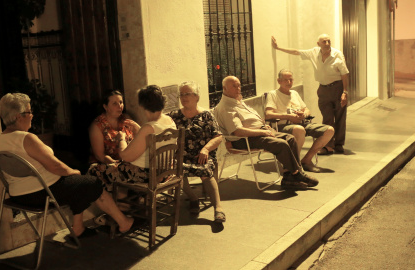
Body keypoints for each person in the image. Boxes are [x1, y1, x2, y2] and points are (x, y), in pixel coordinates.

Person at [0, 93, 134, 238]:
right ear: (19, 116)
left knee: (78, 184)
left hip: (18, 195)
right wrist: (73, 172)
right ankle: (123, 222)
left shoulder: (0, 140)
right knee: (93, 182)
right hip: (42, 193)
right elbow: (55, 166)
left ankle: (78, 227)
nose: (32, 115)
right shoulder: (26, 138)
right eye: (29, 112)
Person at [213, 76, 319, 190]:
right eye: (234, 86)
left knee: (290, 138)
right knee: (281, 144)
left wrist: (263, 126)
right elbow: (238, 131)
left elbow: (250, 119)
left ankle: (289, 178)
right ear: (224, 88)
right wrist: (261, 132)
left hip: (259, 132)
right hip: (243, 140)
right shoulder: (226, 107)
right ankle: (297, 174)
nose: (238, 88)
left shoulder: (237, 100)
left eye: (239, 85)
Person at [271, 34, 349, 154]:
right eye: (324, 42)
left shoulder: (337, 54)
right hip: (323, 89)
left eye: (329, 41)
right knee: (327, 117)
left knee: (340, 117)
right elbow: (297, 52)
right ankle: (328, 145)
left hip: (337, 88)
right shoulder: (313, 52)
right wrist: (278, 48)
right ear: (318, 44)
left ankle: (338, 144)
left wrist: (344, 92)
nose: (327, 44)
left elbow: (344, 74)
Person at [167, 81, 225, 223]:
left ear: (196, 97)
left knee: (205, 171)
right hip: (182, 156)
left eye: (187, 94)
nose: (184, 97)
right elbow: (160, 127)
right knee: (175, 169)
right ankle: (193, 198)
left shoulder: (207, 115)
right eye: (181, 94)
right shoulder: (173, 116)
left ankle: (218, 208)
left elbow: (218, 136)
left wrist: (206, 149)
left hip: (202, 155)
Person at [103, 85, 177, 185]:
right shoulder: (170, 120)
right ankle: (124, 198)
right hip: (164, 173)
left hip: (146, 174)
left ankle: (113, 200)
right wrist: (139, 129)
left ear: (142, 105)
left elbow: (125, 156)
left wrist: (122, 139)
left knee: (95, 170)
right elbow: (152, 138)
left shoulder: (148, 128)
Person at [265, 69, 335, 173]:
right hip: (283, 126)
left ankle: (306, 160)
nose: (289, 82)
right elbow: (268, 114)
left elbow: (306, 109)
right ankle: (294, 164)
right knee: (299, 130)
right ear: (279, 81)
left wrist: (304, 114)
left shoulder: (294, 93)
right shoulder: (273, 94)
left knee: (329, 130)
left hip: (301, 123)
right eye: (285, 80)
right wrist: (288, 116)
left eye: (291, 80)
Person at [87, 90, 140, 192]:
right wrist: (115, 164)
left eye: (121, 102)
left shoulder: (127, 119)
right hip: (107, 163)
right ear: (105, 107)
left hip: (127, 162)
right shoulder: (97, 126)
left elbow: (138, 141)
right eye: (115, 103)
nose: (119, 106)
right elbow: (100, 156)